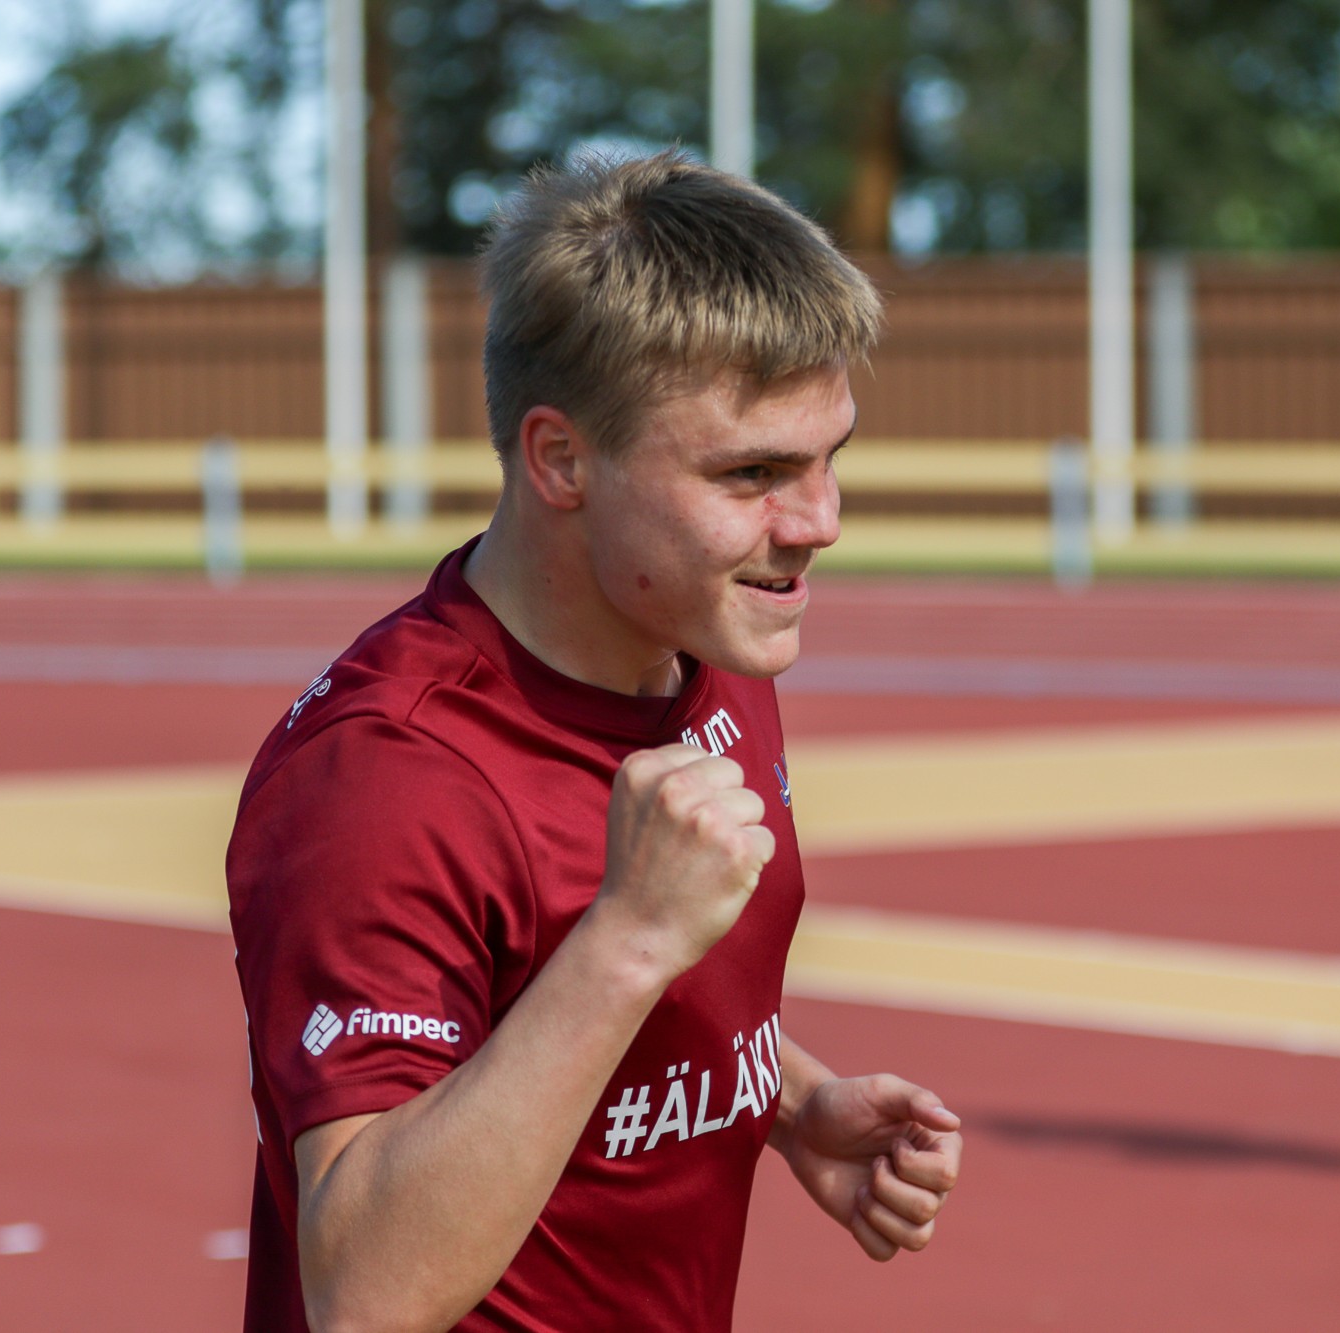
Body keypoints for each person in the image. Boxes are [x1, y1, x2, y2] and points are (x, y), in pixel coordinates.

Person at [227, 151, 964, 1332]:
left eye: (831, 456)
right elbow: (362, 1291)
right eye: (753, 472)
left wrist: (784, 1100)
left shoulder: (698, 639)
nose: (820, 519)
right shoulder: (384, 780)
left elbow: (548, 1005)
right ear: (560, 459)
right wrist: (629, 938)